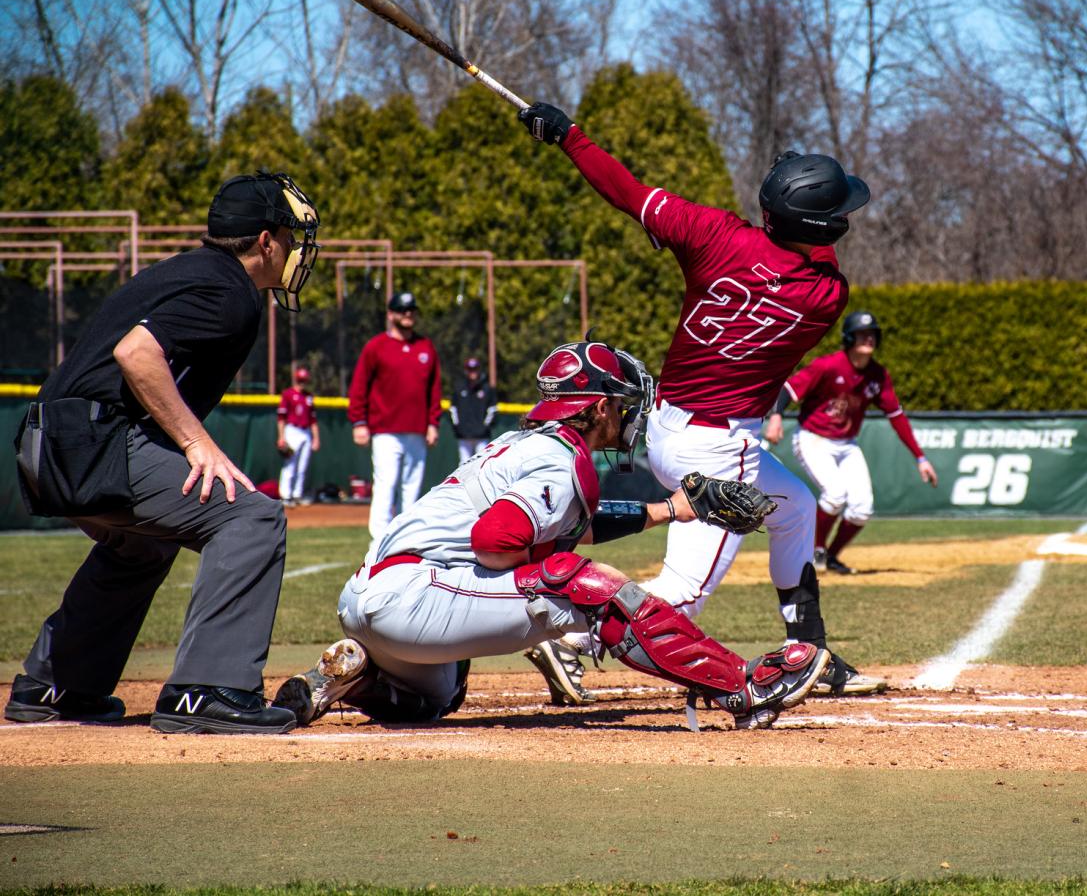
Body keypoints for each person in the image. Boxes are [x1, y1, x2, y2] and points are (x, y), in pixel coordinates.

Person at [515, 102, 883, 697]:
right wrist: (787, 197)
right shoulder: (826, 295)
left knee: (793, 506)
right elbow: (813, 247)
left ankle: (809, 650)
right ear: (821, 228)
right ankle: (568, 639)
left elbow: (626, 191)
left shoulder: (711, 232)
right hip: (718, 448)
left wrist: (569, 137)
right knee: (682, 592)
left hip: (665, 428)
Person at [274, 340, 828, 730]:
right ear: (599, 406)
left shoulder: (529, 445)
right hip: (412, 597)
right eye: (622, 402)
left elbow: (558, 526)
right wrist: (551, 572)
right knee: (584, 585)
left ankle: (352, 676)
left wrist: (673, 509)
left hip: (377, 597)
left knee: (437, 696)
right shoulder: (561, 460)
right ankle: (742, 684)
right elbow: (497, 540)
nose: (629, 413)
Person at [6, 171, 321, 734]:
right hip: (93, 444)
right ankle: (207, 690)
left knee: (139, 547)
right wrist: (196, 442)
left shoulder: (191, 270)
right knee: (253, 516)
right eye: (290, 238)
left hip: (48, 443)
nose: (296, 251)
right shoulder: (231, 292)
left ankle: (55, 685)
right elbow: (136, 352)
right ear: (266, 241)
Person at [765, 311, 939, 574]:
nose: (868, 338)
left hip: (847, 443)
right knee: (835, 494)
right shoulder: (828, 365)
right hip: (814, 438)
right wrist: (776, 416)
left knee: (862, 508)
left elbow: (896, 416)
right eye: (861, 333)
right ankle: (817, 550)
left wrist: (920, 457)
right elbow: (787, 390)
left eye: (872, 334)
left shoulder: (878, 375)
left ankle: (831, 556)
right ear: (848, 336)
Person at [348, 291, 443, 540]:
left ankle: (405, 540)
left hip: (417, 430)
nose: (408, 314)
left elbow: (435, 389)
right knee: (386, 486)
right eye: (402, 310)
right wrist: (359, 421)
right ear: (391, 314)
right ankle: (379, 542)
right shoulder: (376, 347)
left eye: (411, 310)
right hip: (385, 430)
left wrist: (433, 423)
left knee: (411, 489)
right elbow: (359, 386)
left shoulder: (425, 347)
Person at [276, 366, 320, 505]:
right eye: (300, 380)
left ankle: (297, 494)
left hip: (306, 432)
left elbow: (313, 420)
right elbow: (281, 418)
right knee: (290, 464)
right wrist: (281, 436)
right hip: (292, 430)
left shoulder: (308, 397)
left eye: (304, 380)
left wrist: (316, 438)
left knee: (303, 466)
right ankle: (286, 495)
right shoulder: (288, 394)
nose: (302, 383)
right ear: (296, 379)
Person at [449, 356, 498, 463]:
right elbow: (453, 409)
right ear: (466, 370)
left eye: (475, 369)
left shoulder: (486, 389)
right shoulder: (460, 387)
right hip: (464, 434)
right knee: (463, 464)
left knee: (481, 463)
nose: (473, 372)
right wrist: (458, 427)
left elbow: (493, 410)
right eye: (470, 369)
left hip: (481, 435)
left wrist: (485, 427)